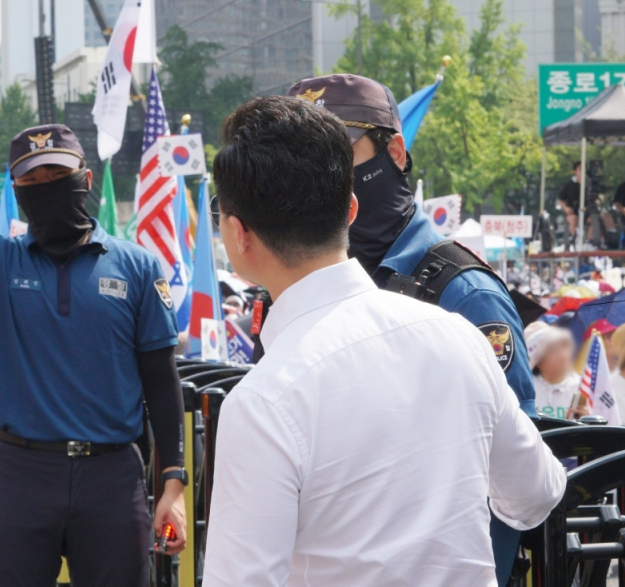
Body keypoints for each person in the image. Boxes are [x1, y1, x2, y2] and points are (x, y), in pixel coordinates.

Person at [202, 95, 566, 587]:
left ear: (238, 234)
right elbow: (537, 491)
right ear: (349, 209)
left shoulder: (264, 400)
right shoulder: (456, 335)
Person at [0, 97, 188, 586]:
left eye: (57, 177)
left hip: (111, 478)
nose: (45, 189)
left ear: (85, 181)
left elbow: (161, 378)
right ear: (16, 190)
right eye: (31, 181)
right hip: (19, 473)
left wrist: (172, 481)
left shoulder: (137, 266)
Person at [287, 73, 538, 584]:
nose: (323, 176)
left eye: (338, 152)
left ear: (395, 152)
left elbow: (513, 485)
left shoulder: (462, 294)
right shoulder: (302, 290)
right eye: (304, 161)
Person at [525, 322, 582, 421]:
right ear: (538, 361)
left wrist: (586, 418)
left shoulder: (581, 386)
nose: (563, 355)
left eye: (564, 347)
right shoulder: (527, 387)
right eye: (554, 351)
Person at [557, 162, 585, 242]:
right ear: (575, 171)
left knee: (595, 218)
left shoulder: (589, 183)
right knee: (573, 219)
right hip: (573, 212)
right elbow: (561, 199)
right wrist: (566, 208)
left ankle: (592, 243)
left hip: (586, 212)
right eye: (580, 169)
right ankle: (575, 240)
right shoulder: (569, 184)